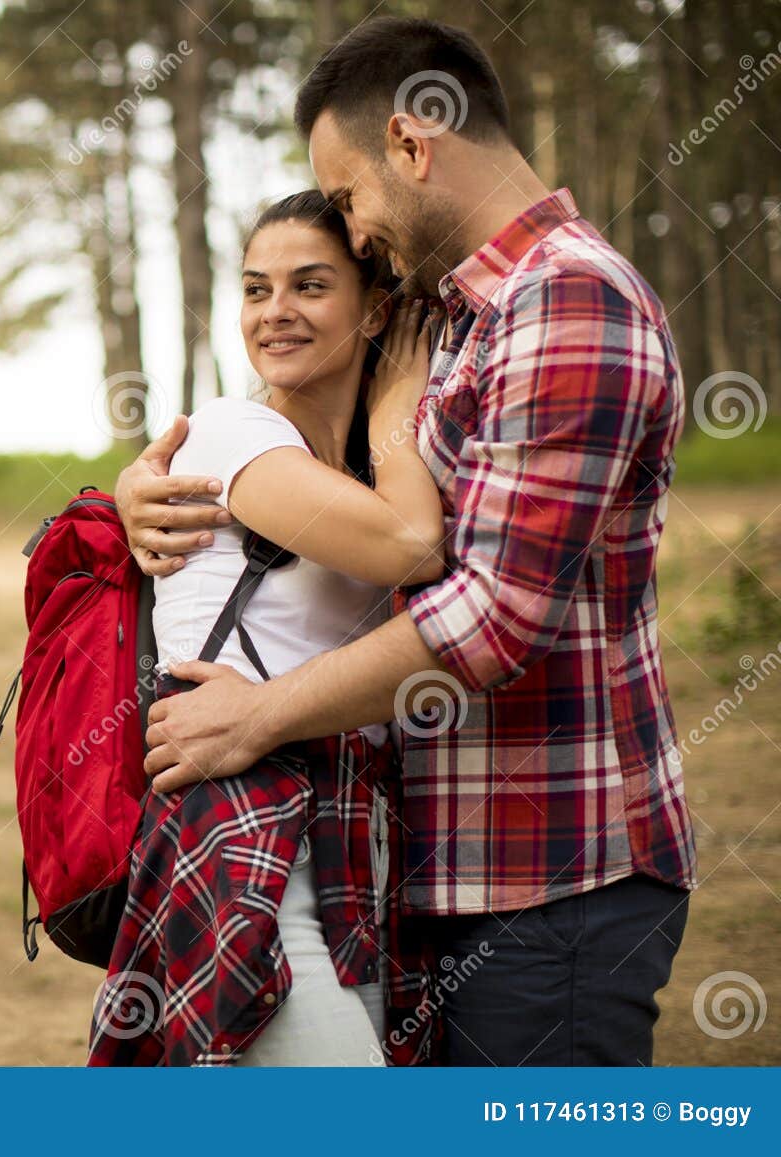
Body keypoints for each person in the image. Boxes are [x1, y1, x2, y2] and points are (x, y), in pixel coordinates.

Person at [120, 16, 695, 1067]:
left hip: (552, 874)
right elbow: (319, 470)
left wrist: (257, 715)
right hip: (438, 874)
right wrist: (140, 491)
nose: (355, 226)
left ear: (412, 144)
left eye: (348, 198)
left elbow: (488, 619)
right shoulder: (464, 315)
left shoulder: (566, 299)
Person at [88, 190, 443, 1066]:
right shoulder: (229, 431)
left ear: (377, 309)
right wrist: (399, 394)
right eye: (256, 288)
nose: (275, 312)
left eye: (310, 286)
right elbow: (409, 546)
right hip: (247, 830)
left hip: (350, 839)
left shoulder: (361, 467)